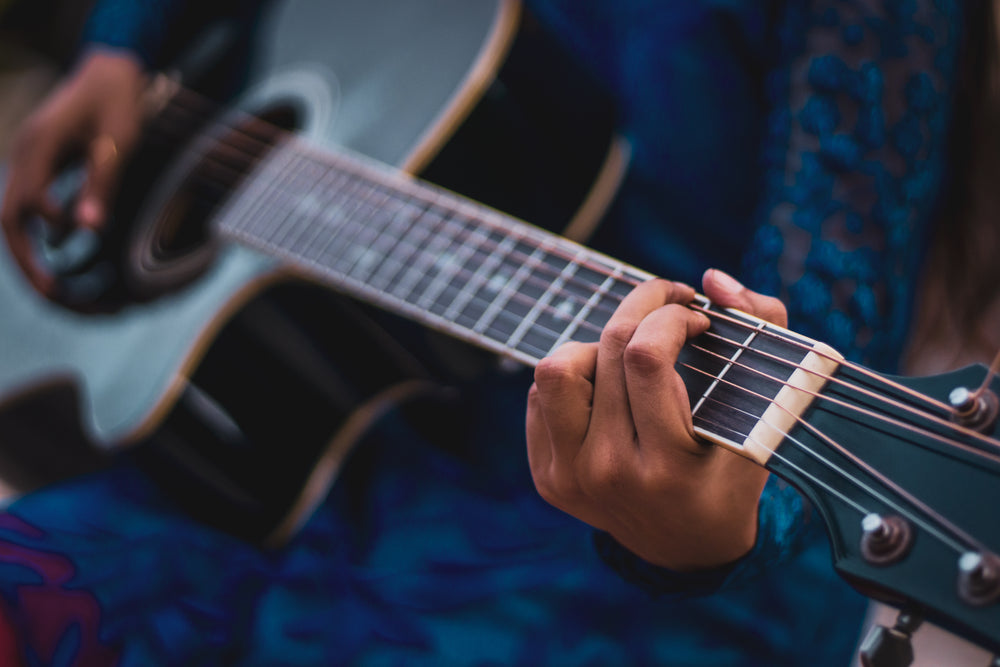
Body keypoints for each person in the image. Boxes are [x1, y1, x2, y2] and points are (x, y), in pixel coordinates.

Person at [0, 0, 969, 665]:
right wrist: (121, 49)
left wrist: (708, 533)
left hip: (609, 534)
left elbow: (834, 314)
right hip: (273, 425)